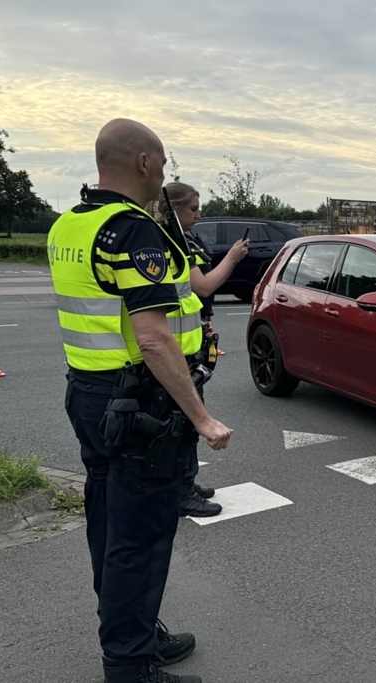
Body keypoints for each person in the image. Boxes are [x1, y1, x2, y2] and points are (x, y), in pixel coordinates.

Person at [49, 118, 232, 683]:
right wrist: (201, 417)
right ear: (146, 163)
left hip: (89, 391)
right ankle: (129, 664)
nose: (165, 175)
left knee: (108, 519)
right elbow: (152, 337)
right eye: (163, 163)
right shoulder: (132, 230)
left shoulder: (70, 225)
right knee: (143, 534)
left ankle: (129, 629)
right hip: (141, 403)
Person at [153, 182, 248, 518]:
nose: (199, 214)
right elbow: (204, 284)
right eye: (193, 208)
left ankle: (187, 481)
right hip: (178, 346)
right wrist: (234, 258)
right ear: (173, 208)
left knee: (188, 421)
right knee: (183, 421)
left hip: (190, 339)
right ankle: (180, 490)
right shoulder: (168, 241)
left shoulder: (180, 239)